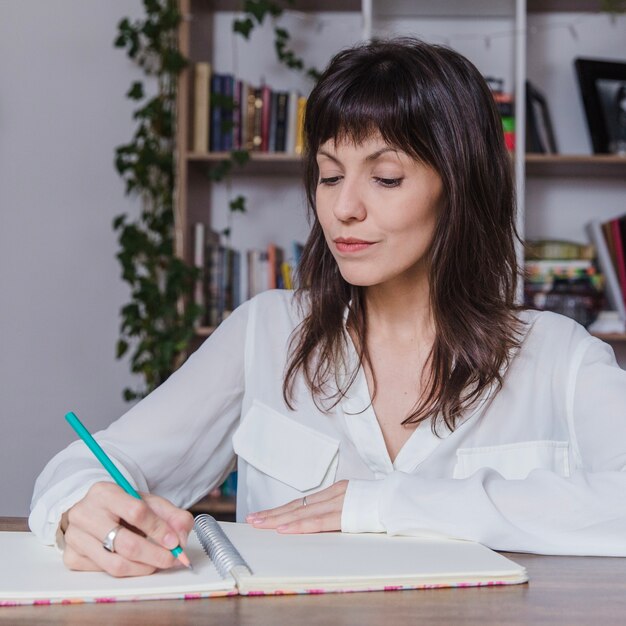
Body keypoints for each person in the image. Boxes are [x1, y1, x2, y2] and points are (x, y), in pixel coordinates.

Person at [30, 37, 626, 578]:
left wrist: (383, 504)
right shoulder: (266, 331)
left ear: (461, 188)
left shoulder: (558, 356)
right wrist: (79, 512)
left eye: (385, 178)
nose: (343, 208)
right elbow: (83, 467)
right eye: (329, 175)